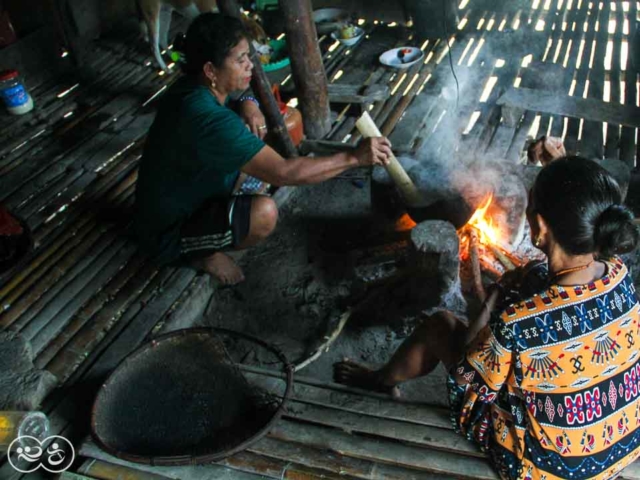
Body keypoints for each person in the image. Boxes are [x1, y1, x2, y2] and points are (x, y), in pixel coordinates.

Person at [334, 157, 640, 480]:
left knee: (441, 326)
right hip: (620, 443)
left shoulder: (518, 321)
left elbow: (468, 376)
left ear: (542, 228)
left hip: (548, 469)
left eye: (531, 207)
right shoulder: (620, 275)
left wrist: (493, 299)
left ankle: (381, 381)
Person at [134, 13, 392, 285]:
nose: (250, 66)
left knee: (256, 152)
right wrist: (354, 157)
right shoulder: (206, 118)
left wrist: (248, 101)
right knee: (263, 214)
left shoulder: (194, 87)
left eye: (249, 56)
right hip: (168, 230)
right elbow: (285, 173)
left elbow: (248, 90)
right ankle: (202, 253)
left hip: (191, 189)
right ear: (210, 70)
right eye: (240, 60)